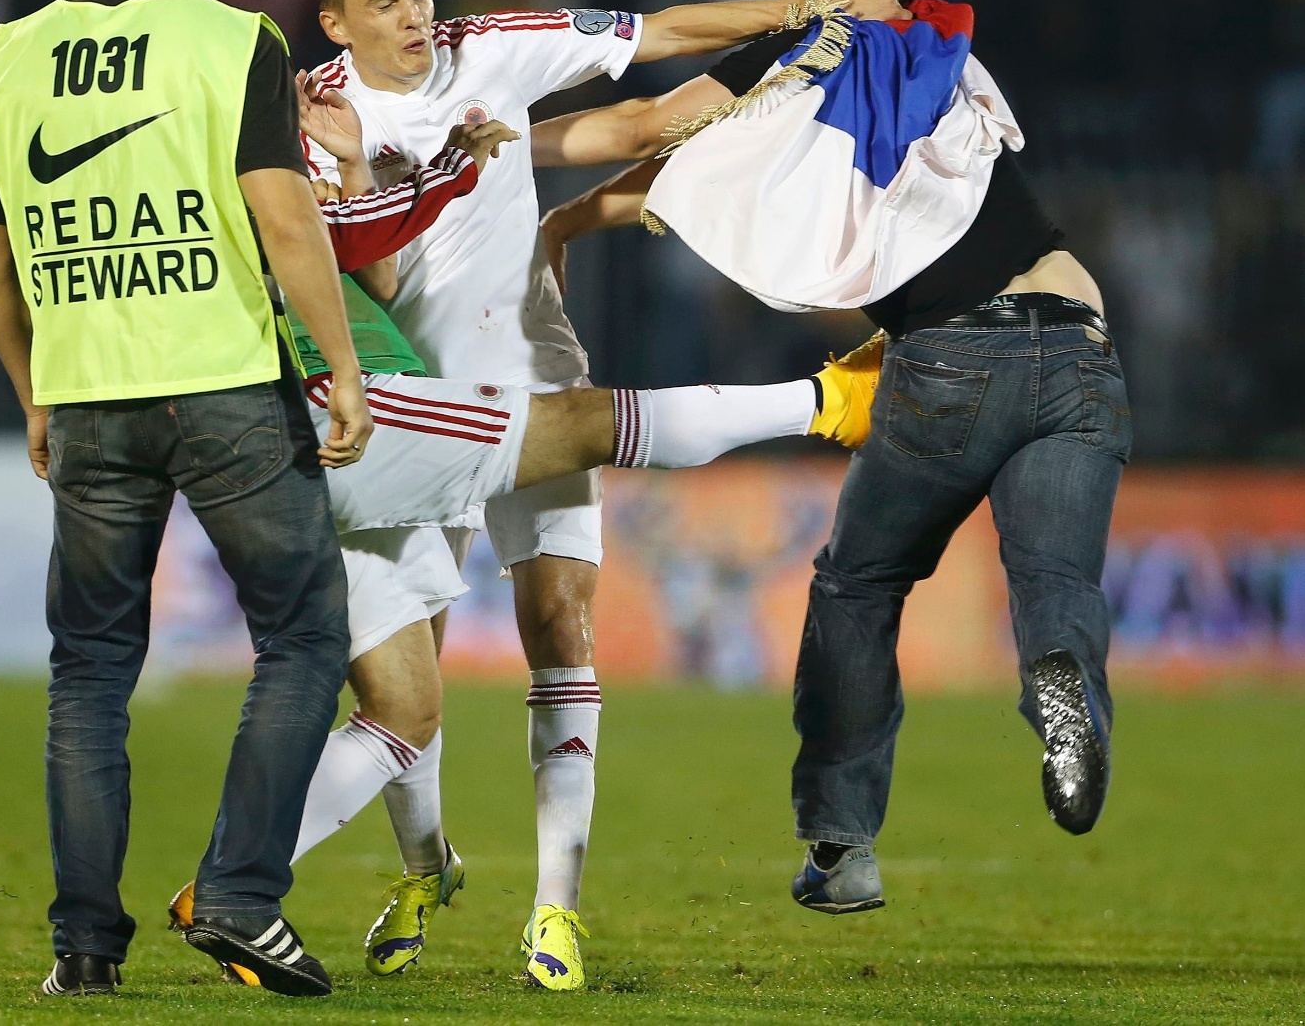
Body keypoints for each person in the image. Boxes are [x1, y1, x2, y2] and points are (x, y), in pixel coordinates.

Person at [291, 0, 902, 988]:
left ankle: (555, 911)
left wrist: (796, 15)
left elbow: (659, 40)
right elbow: (363, 285)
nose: (415, 17)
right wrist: (375, 174)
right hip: (414, 407)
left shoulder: (487, 49)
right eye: (385, 3)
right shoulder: (311, 120)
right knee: (406, 677)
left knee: (558, 621)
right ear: (336, 20)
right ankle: (427, 865)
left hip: (532, 366)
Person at [166, 115, 885, 981]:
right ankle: (827, 400)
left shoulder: (287, 164)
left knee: (409, 707)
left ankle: (502, 902)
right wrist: (450, 174)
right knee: (590, 429)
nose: (410, 17)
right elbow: (638, 113)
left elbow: (378, 261)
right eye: (385, 2)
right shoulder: (264, 180)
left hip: (342, 440)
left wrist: (362, 169)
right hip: (369, 414)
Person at [540, 0, 1130, 918]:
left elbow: (647, 129)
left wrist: (504, 147)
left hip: (952, 362)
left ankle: (842, 845)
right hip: (1082, 342)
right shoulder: (947, 48)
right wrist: (584, 217)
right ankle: (1061, 680)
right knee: (1055, 578)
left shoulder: (808, 50)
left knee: (859, 585)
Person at [0, 0, 368, 999]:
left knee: (87, 671)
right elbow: (284, 219)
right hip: (224, 385)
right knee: (301, 636)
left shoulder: (12, 53)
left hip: (88, 394)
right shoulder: (235, 39)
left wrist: (31, 388)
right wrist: (338, 366)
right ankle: (241, 893)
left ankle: (83, 948)